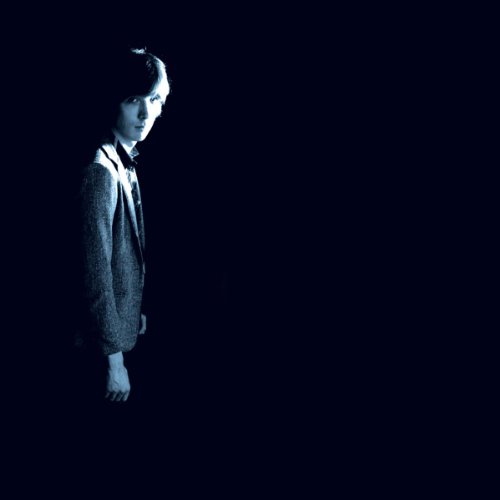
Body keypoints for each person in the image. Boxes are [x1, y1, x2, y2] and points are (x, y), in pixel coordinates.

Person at [72, 47, 170, 404]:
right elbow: (94, 271)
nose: (146, 113)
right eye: (133, 100)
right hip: (97, 352)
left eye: (153, 100)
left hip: (115, 334)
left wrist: (133, 307)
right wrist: (114, 362)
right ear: (113, 101)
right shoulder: (100, 169)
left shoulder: (120, 154)